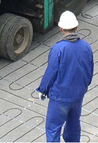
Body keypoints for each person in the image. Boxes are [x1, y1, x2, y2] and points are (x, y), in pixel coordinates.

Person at [37, 11, 94, 142]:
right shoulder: (86, 47)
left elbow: (51, 72)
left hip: (60, 97)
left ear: (61, 29)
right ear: (77, 26)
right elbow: (89, 71)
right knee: (73, 126)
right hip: (78, 96)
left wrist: (43, 89)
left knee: (53, 128)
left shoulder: (59, 49)